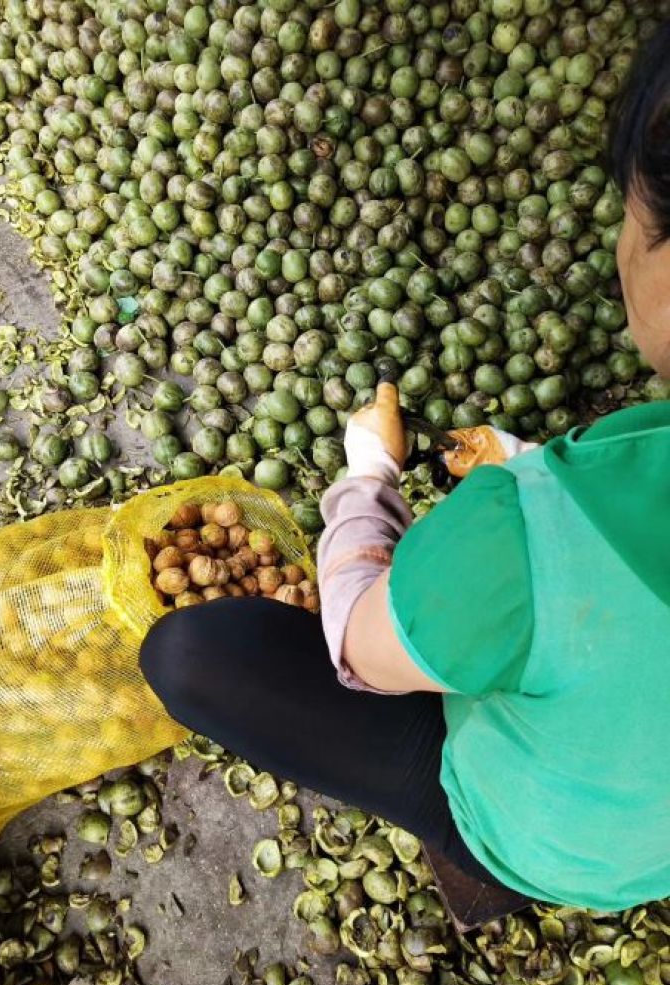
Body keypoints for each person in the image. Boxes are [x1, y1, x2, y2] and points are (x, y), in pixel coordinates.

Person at [141, 28, 670, 912]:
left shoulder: (535, 530)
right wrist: (534, 465)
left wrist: (366, 479)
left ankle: (484, 869)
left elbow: (358, 645)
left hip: (546, 835)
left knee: (192, 654)